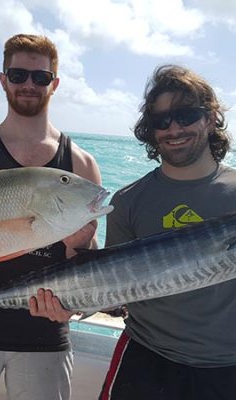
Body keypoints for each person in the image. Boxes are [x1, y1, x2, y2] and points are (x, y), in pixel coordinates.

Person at [0, 33, 102, 400]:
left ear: (54, 84)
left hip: (45, 333)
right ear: (3, 80)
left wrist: (79, 251)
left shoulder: (81, 164)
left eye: (40, 77)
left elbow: (85, 259)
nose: (29, 84)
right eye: (18, 75)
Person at [98, 64, 236, 400]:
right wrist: (71, 299)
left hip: (226, 367)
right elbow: (117, 294)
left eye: (186, 115)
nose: (174, 128)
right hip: (145, 358)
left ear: (209, 118)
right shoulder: (127, 201)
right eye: (161, 121)